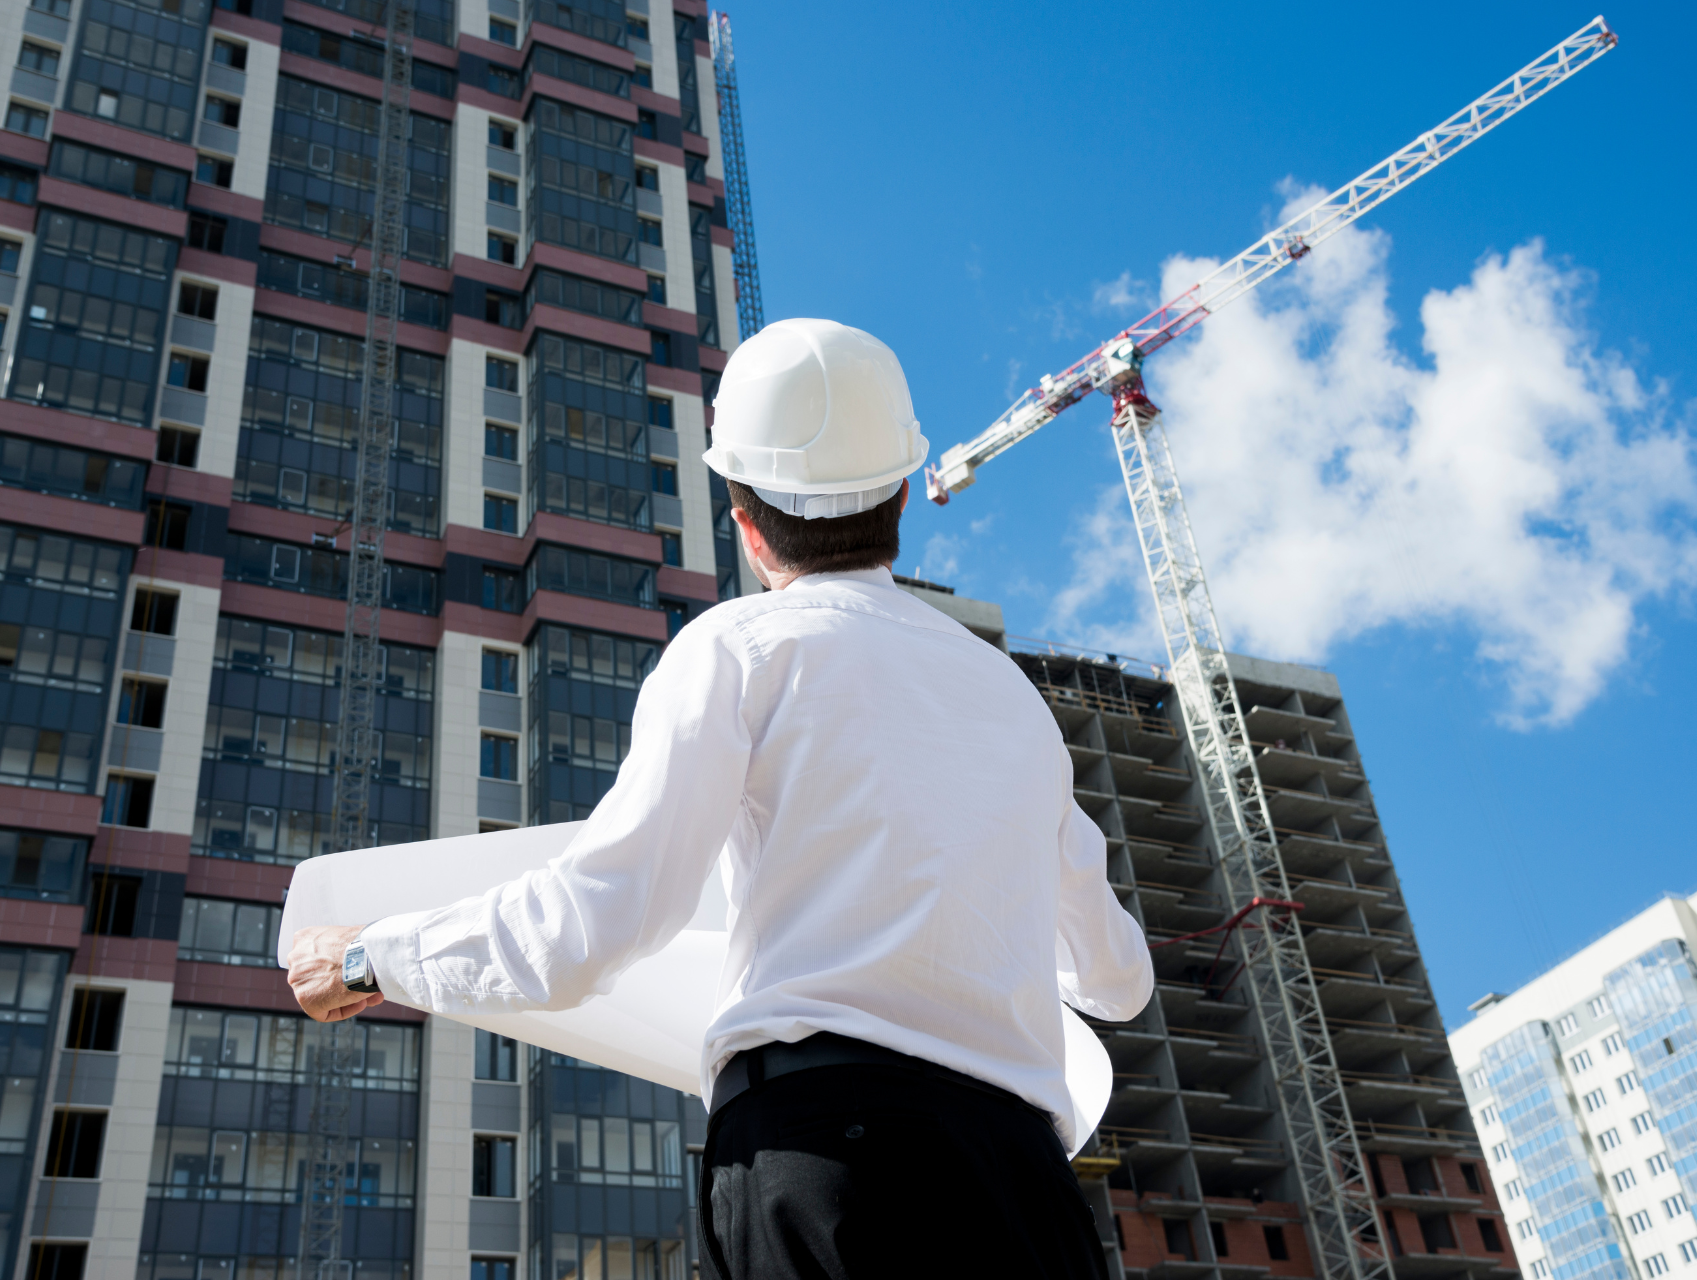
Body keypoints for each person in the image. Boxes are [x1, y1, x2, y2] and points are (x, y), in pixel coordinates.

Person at [289, 318, 1153, 1278]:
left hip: (828, 1163)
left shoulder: (738, 650)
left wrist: (375, 960)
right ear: (905, 492)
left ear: (742, 517)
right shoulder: (1010, 699)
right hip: (1019, 1180)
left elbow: (596, 922)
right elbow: (1117, 980)